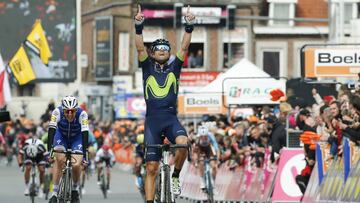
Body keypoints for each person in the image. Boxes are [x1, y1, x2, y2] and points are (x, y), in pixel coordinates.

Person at [134, 4, 195, 202]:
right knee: (151, 168)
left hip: (170, 119)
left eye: (165, 48)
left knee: (183, 144)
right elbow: (139, 46)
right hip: (152, 121)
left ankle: (175, 176)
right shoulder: (146, 66)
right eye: (158, 48)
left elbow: (184, 47)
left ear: (169, 53)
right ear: (153, 53)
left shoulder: (175, 67)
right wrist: (138, 28)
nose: (161, 50)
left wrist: (189, 26)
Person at [47, 96, 89, 203]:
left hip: (77, 138)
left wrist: (85, 155)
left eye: (72, 111)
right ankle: (54, 194)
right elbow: (51, 130)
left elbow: (85, 134)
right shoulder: (57, 112)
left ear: (76, 109)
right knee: (59, 160)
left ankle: (75, 190)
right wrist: (50, 152)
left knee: (76, 164)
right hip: (61, 137)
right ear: (63, 109)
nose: (70, 114)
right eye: (67, 111)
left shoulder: (83, 114)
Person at [18, 131, 47, 197]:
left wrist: (48, 162)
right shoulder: (26, 145)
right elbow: (20, 155)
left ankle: (41, 188)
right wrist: (20, 164)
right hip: (28, 156)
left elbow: (46, 156)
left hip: (39, 156)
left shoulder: (41, 147)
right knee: (28, 168)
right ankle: (27, 187)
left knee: (42, 170)